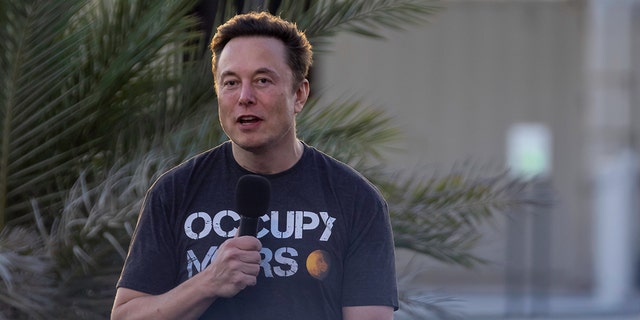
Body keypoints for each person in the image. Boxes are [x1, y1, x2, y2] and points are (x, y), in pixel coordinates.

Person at [111, 11, 398, 320]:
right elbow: (127, 315)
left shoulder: (355, 199)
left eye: (262, 80)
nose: (245, 97)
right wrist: (209, 282)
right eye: (231, 82)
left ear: (299, 95)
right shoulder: (173, 192)